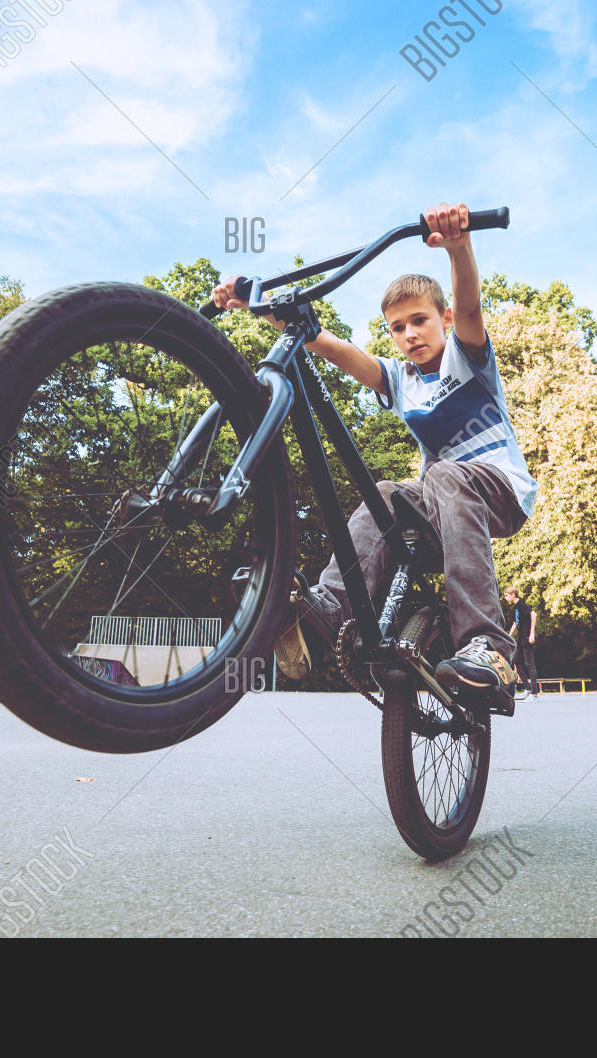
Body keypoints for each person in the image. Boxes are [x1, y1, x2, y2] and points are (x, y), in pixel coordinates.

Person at [209, 202, 534, 710]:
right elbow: (332, 347)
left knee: (445, 474)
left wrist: (458, 246)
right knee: (382, 492)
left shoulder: (465, 355)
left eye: (420, 321)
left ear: (443, 320)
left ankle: (489, 648)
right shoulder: (397, 379)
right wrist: (255, 298)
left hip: (499, 489)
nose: (410, 335)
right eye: (397, 327)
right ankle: (330, 607)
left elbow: (470, 306)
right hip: (442, 501)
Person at [503, 587, 540, 698]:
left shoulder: (521, 604)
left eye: (506, 595)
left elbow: (534, 614)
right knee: (516, 661)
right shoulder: (516, 608)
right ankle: (528, 688)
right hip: (520, 638)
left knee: (529, 663)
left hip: (527, 637)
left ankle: (534, 694)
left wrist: (532, 633)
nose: (505, 598)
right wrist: (508, 636)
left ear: (513, 594)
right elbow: (515, 623)